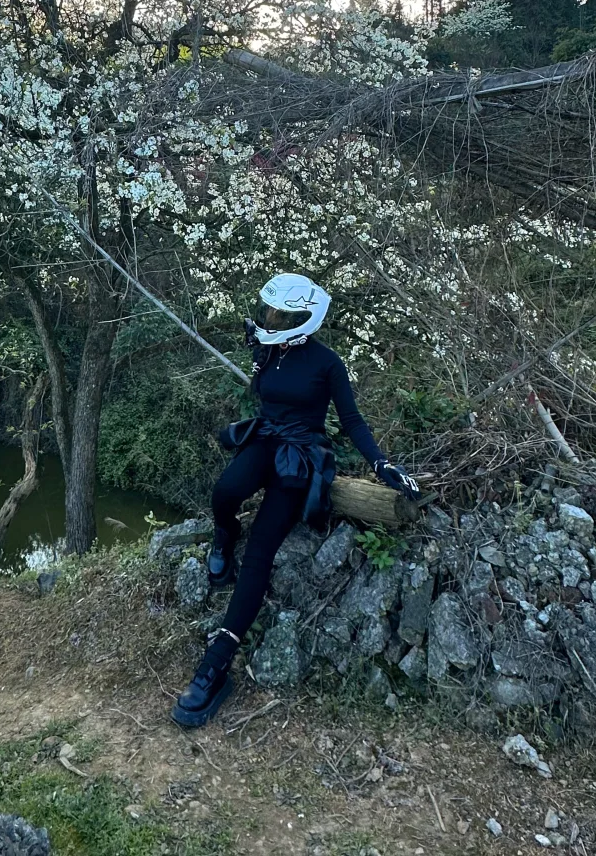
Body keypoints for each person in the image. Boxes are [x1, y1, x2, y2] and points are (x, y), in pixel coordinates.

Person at [171, 272, 421, 728]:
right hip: (265, 438)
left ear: (302, 319)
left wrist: (381, 465)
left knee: (263, 548)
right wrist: (258, 352)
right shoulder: (270, 351)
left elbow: (352, 420)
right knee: (224, 492)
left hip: (300, 455)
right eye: (269, 312)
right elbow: (263, 393)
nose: (270, 319)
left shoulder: (328, 363)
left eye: (280, 315)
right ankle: (225, 536)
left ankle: (217, 662)